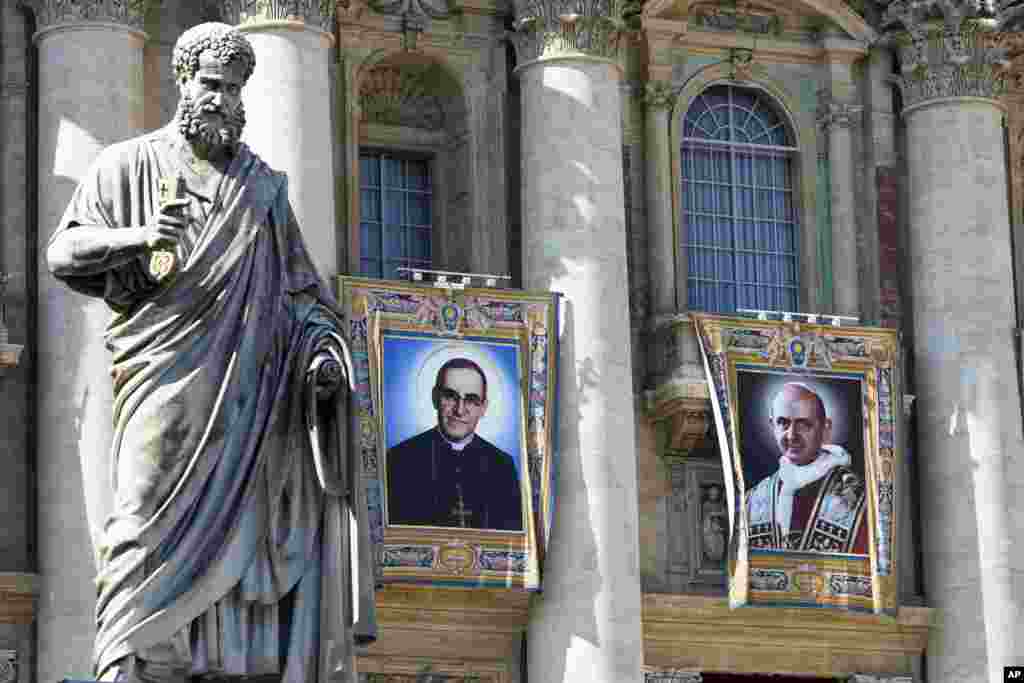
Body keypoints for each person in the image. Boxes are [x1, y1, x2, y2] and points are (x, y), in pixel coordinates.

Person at [46, 23, 375, 683]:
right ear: (183, 81)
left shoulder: (264, 188)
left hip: (248, 407)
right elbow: (64, 253)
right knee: (138, 526)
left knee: (239, 561)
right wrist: (138, 238)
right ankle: (125, 665)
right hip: (162, 390)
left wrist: (324, 357)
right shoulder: (127, 165)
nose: (225, 100)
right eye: (213, 85)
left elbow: (304, 296)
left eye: (235, 88)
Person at [386, 357, 523, 531]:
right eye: (450, 396)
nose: (459, 410)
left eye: (471, 400)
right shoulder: (399, 460)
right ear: (435, 398)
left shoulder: (503, 465)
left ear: (483, 408)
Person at [745, 382, 868, 553]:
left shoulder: (859, 497)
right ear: (772, 426)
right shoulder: (753, 500)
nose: (791, 435)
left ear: (825, 428)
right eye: (783, 423)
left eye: (803, 424)